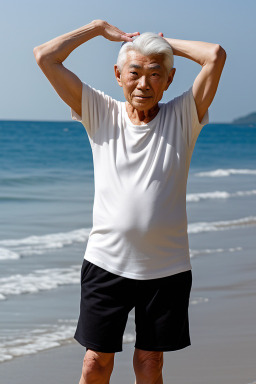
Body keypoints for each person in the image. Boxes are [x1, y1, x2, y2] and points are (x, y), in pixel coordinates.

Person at [33, 19, 226, 384]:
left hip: (166, 267)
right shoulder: (100, 112)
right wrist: (96, 29)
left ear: (169, 80)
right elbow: (45, 57)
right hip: (106, 262)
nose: (144, 83)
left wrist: (165, 45)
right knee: (95, 363)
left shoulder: (184, 116)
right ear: (118, 74)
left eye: (156, 74)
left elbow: (214, 55)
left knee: (150, 363)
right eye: (135, 72)